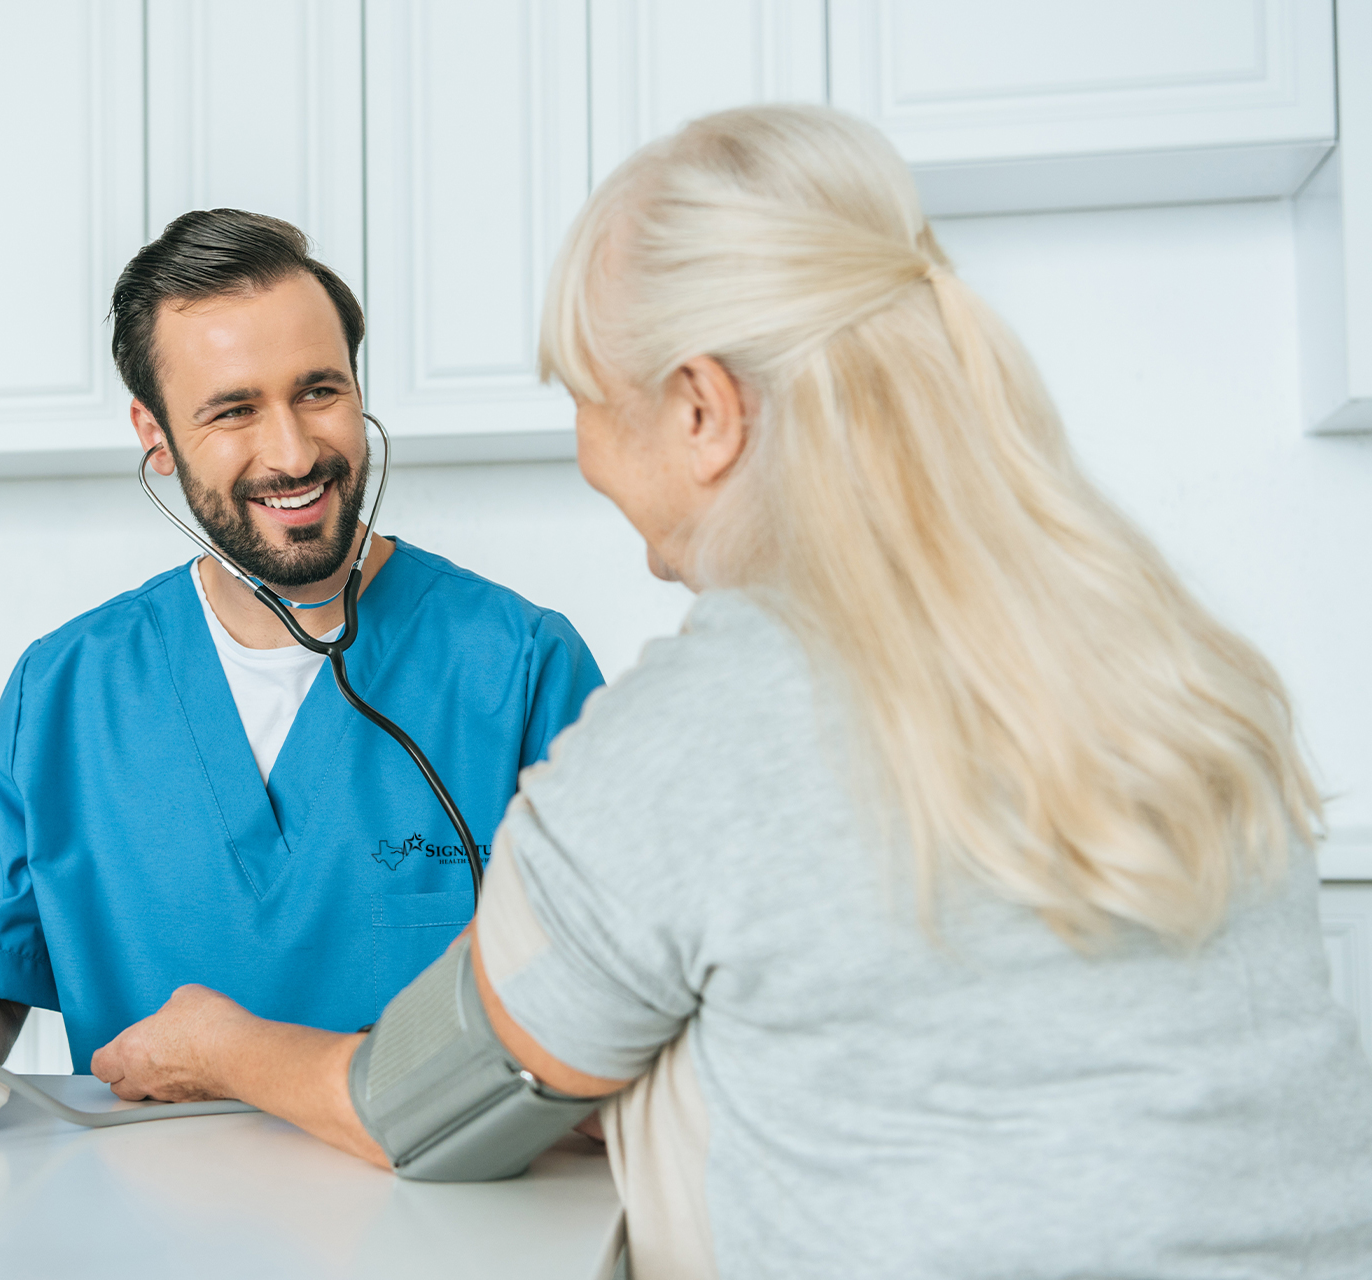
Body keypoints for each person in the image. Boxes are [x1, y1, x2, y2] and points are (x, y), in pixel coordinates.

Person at [85, 107, 1372, 1278]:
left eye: (584, 393)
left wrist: (213, 1041)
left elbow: (428, 1104)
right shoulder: (1164, 641)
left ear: (701, 410)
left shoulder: (706, 726)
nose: (586, 444)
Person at [0, 210, 604, 1068]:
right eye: (233, 410)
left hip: (435, 1190)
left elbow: (603, 984)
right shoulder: (66, 689)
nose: (294, 451)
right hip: (142, 1197)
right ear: (155, 437)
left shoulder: (521, 665)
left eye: (320, 391)